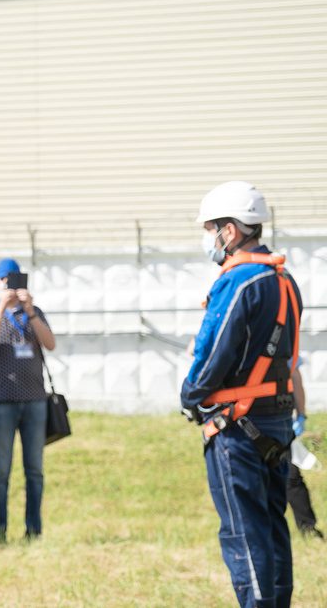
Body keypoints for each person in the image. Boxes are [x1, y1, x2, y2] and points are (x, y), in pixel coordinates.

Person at [181, 181, 301, 608]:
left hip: (237, 427)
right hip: (276, 421)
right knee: (271, 523)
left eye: (211, 227)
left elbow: (214, 350)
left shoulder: (240, 282)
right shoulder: (284, 278)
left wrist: (189, 394)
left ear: (230, 231)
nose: (208, 236)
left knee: (242, 530)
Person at [0, 258, 56, 542]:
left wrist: (31, 311)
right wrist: (2, 307)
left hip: (35, 402)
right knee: (1, 470)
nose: (10, 286)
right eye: (5, 281)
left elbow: (50, 343)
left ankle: (34, 530)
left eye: (15, 280)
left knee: (34, 469)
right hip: (1, 403)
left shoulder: (34, 313)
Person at [286, 361, 322, 538]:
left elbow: (295, 376)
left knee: (291, 477)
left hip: (281, 420)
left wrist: (300, 415)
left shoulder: (284, 336)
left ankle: (308, 528)